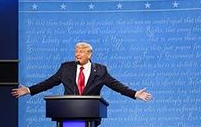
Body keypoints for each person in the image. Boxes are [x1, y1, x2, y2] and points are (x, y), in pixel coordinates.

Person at [11, 42, 152, 101]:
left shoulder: (100, 70)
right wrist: (29, 90)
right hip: (67, 112)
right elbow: (49, 82)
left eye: (81, 52)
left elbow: (116, 86)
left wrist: (134, 94)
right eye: (76, 52)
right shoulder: (66, 68)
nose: (77, 54)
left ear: (89, 55)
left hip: (90, 113)